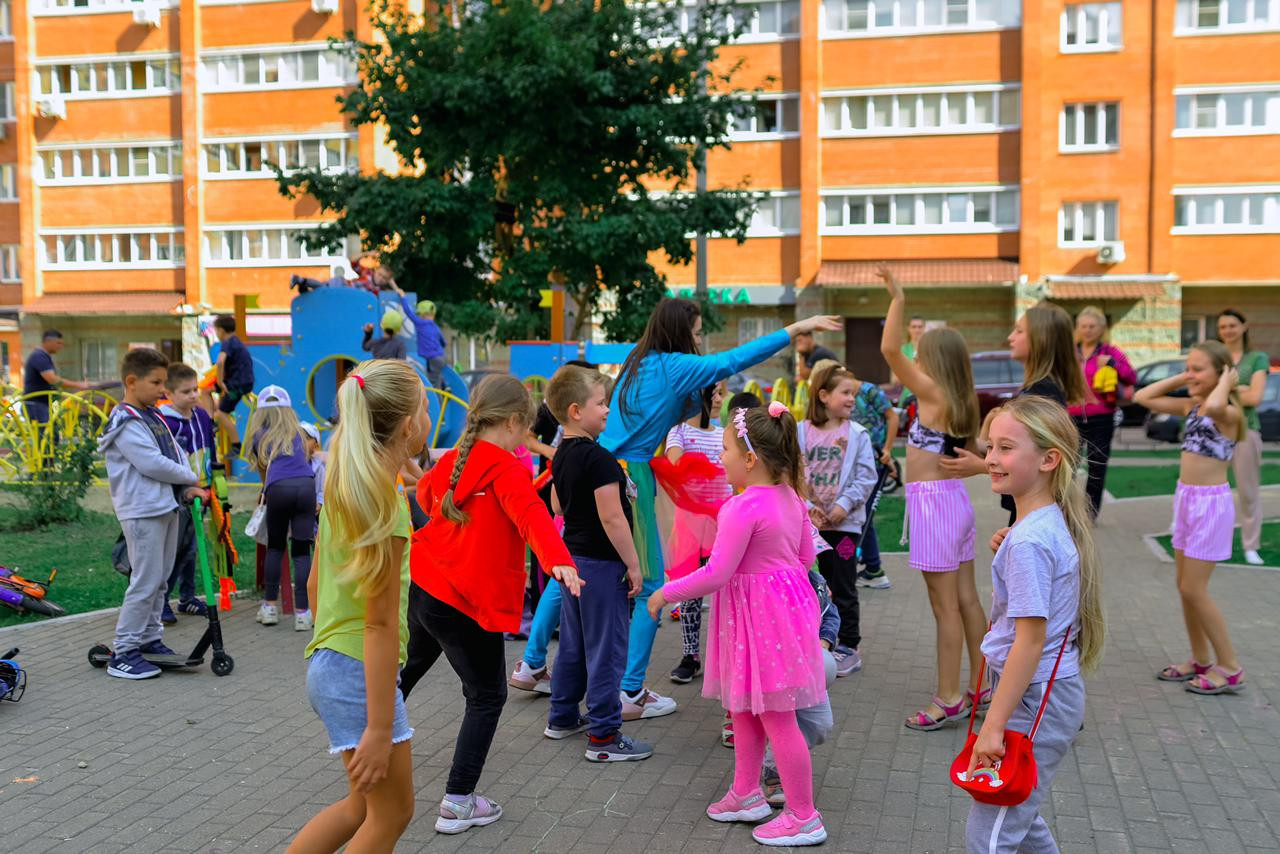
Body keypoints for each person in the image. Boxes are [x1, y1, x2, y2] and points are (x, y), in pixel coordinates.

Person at [604, 298, 841, 721]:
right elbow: (734, 359)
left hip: (604, 467)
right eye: (696, 333)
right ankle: (629, 691)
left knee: (587, 572)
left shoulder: (637, 363)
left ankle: (541, 667)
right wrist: (795, 327)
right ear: (680, 333)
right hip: (631, 475)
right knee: (649, 587)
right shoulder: (675, 365)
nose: (698, 342)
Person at [403, 375, 583, 834]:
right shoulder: (506, 469)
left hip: (427, 586)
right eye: (527, 429)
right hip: (465, 599)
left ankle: (370, 741)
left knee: (411, 667)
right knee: (486, 695)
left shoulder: (452, 462)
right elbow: (531, 515)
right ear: (513, 422)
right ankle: (458, 802)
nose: (528, 438)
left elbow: (424, 495)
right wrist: (558, 560)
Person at [648, 403, 829, 847]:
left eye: (726, 449)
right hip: (781, 612)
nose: (719, 457)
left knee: (776, 716)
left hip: (760, 617)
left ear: (750, 459)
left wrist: (665, 592)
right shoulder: (792, 498)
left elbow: (716, 573)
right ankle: (746, 793)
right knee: (746, 707)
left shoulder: (741, 507)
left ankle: (804, 815)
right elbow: (806, 558)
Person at [288, 360, 430, 854]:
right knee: (391, 816)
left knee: (360, 809)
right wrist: (378, 726)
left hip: (330, 661)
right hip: (354, 670)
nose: (429, 417)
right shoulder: (385, 503)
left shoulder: (347, 484)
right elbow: (381, 621)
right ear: (409, 424)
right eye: (426, 407)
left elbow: (311, 588)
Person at [964, 394, 1104, 853]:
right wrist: (1009, 547)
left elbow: (1029, 642)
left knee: (990, 836)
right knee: (1016, 817)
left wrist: (991, 727)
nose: (990, 459)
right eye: (990, 448)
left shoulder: (1030, 541)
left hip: (1036, 695)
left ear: (1048, 459)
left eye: (1005, 448)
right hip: (1043, 692)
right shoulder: (1037, 528)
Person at [878, 267, 989, 731]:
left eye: (919, 354)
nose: (912, 359)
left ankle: (948, 697)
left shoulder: (932, 392)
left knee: (944, 605)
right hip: (950, 501)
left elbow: (887, 349)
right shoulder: (955, 395)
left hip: (935, 506)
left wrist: (898, 297)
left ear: (933, 361)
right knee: (965, 600)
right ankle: (984, 687)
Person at [540, 366, 652, 761]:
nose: (607, 410)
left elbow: (557, 506)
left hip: (573, 563)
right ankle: (604, 736)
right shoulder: (601, 460)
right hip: (603, 567)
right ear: (575, 410)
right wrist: (634, 565)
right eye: (601, 403)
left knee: (574, 644)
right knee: (607, 649)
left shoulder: (562, 455)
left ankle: (563, 716)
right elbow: (612, 518)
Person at [1136, 341, 1248, 695]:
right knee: (1184, 589)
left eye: (1198, 368)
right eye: (1188, 367)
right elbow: (1143, 397)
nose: (1190, 374)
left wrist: (1226, 384)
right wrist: (1184, 377)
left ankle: (1229, 667)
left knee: (1193, 588)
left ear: (1221, 374)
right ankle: (1201, 660)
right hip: (1187, 500)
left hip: (1211, 507)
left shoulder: (1228, 413)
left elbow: (1216, 404)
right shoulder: (1192, 406)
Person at [97, 348, 205, 680]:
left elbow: (176, 452)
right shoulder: (126, 420)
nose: (162, 389)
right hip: (142, 510)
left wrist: (187, 482)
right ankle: (125, 650)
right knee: (144, 581)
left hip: (165, 505)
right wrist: (189, 478)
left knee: (160, 580)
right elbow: (150, 463)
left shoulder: (153, 415)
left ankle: (149, 638)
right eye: (156, 382)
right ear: (132, 381)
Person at [943, 302, 1086, 525]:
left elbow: (1046, 461)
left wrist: (981, 466)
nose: (1010, 337)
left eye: (1019, 331)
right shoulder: (1038, 388)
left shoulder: (1042, 392)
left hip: (1035, 507)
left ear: (1041, 340)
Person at [798, 363, 877, 677]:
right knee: (814, 585)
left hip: (844, 528)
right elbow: (793, 473)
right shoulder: (801, 431)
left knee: (843, 584)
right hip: (810, 527)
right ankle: (817, 640)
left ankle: (849, 645)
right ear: (823, 395)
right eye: (846, 393)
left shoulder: (857, 434)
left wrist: (844, 505)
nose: (851, 399)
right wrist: (807, 507)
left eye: (853, 394)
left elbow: (866, 476)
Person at [662, 382, 730, 685]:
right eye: (714, 394)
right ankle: (691, 655)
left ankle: (728, 651)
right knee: (690, 592)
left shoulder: (723, 434)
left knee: (727, 589)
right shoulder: (678, 433)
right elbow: (675, 464)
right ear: (695, 399)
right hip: (691, 527)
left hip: (725, 524)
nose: (719, 399)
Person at [244, 385, 317, 631]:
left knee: (275, 547)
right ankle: (303, 613)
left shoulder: (260, 436)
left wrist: (265, 491)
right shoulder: (298, 433)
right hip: (306, 487)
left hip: (278, 489)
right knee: (301, 551)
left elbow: (265, 473)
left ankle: (269, 607)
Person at [159, 363, 218, 623]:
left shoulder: (202, 416)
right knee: (176, 550)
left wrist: (214, 480)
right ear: (169, 393)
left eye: (195, 389)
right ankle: (161, 601)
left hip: (202, 491)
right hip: (179, 495)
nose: (193, 395)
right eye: (186, 392)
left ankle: (187, 597)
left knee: (193, 549)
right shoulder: (164, 422)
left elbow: (210, 447)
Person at [1067, 306, 1137, 520]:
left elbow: (1132, 377)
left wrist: (1113, 364)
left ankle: (1090, 514)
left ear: (1101, 328)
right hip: (1071, 417)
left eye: (1092, 326)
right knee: (1067, 466)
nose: (1087, 330)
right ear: (1077, 328)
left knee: (1097, 465)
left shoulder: (1110, 352)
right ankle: (1064, 510)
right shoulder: (1070, 352)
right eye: (1083, 326)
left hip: (1102, 417)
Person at [1217, 309, 1269, 566]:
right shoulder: (1216, 358)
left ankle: (1251, 547)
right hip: (1214, 431)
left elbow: (1256, 398)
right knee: (1213, 491)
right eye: (1223, 326)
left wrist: (1226, 390)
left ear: (1244, 326)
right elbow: (1205, 396)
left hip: (1246, 431)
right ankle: (1215, 544)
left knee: (1248, 493)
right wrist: (1240, 389)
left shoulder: (1257, 358)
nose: (1227, 330)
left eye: (1232, 325)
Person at [842, 366, 898, 590]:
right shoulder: (843, 399)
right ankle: (869, 565)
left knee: (859, 517)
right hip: (852, 464)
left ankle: (871, 567)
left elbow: (892, 417)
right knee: (859, 517)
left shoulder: (870, 392)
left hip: (873, 461)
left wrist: (887, 449)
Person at [23, 329, 90, 424]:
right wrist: (78, 385)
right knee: (46, 436)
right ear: (48, 341)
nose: (61, 346)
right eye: (58, 343)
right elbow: (52, 379)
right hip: (36, 404)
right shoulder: (39, 356)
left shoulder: (43, 356)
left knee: (51, 435)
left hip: (41, 403)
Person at [212, 315, 255, 457]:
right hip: (240, 382)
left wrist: (219, 382)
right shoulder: (236, 342)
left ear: (221, 331)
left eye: (216, 331)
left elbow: (220, 362)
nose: (216, 334)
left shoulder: (228, 343)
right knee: (206, 390)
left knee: (222, 413)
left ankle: (236, 445)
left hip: (237, 384)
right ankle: (211, 420)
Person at [394, 284, 449, 389]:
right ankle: (445, 385)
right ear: (433, 314)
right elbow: (444, 342)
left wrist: (402, 296)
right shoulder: (436, 327)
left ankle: (438, 403)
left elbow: (408, 312)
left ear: (422, 315)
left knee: (433, 384)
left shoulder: (420, 322)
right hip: (442, 356)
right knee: (438, 375)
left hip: (433, 358)